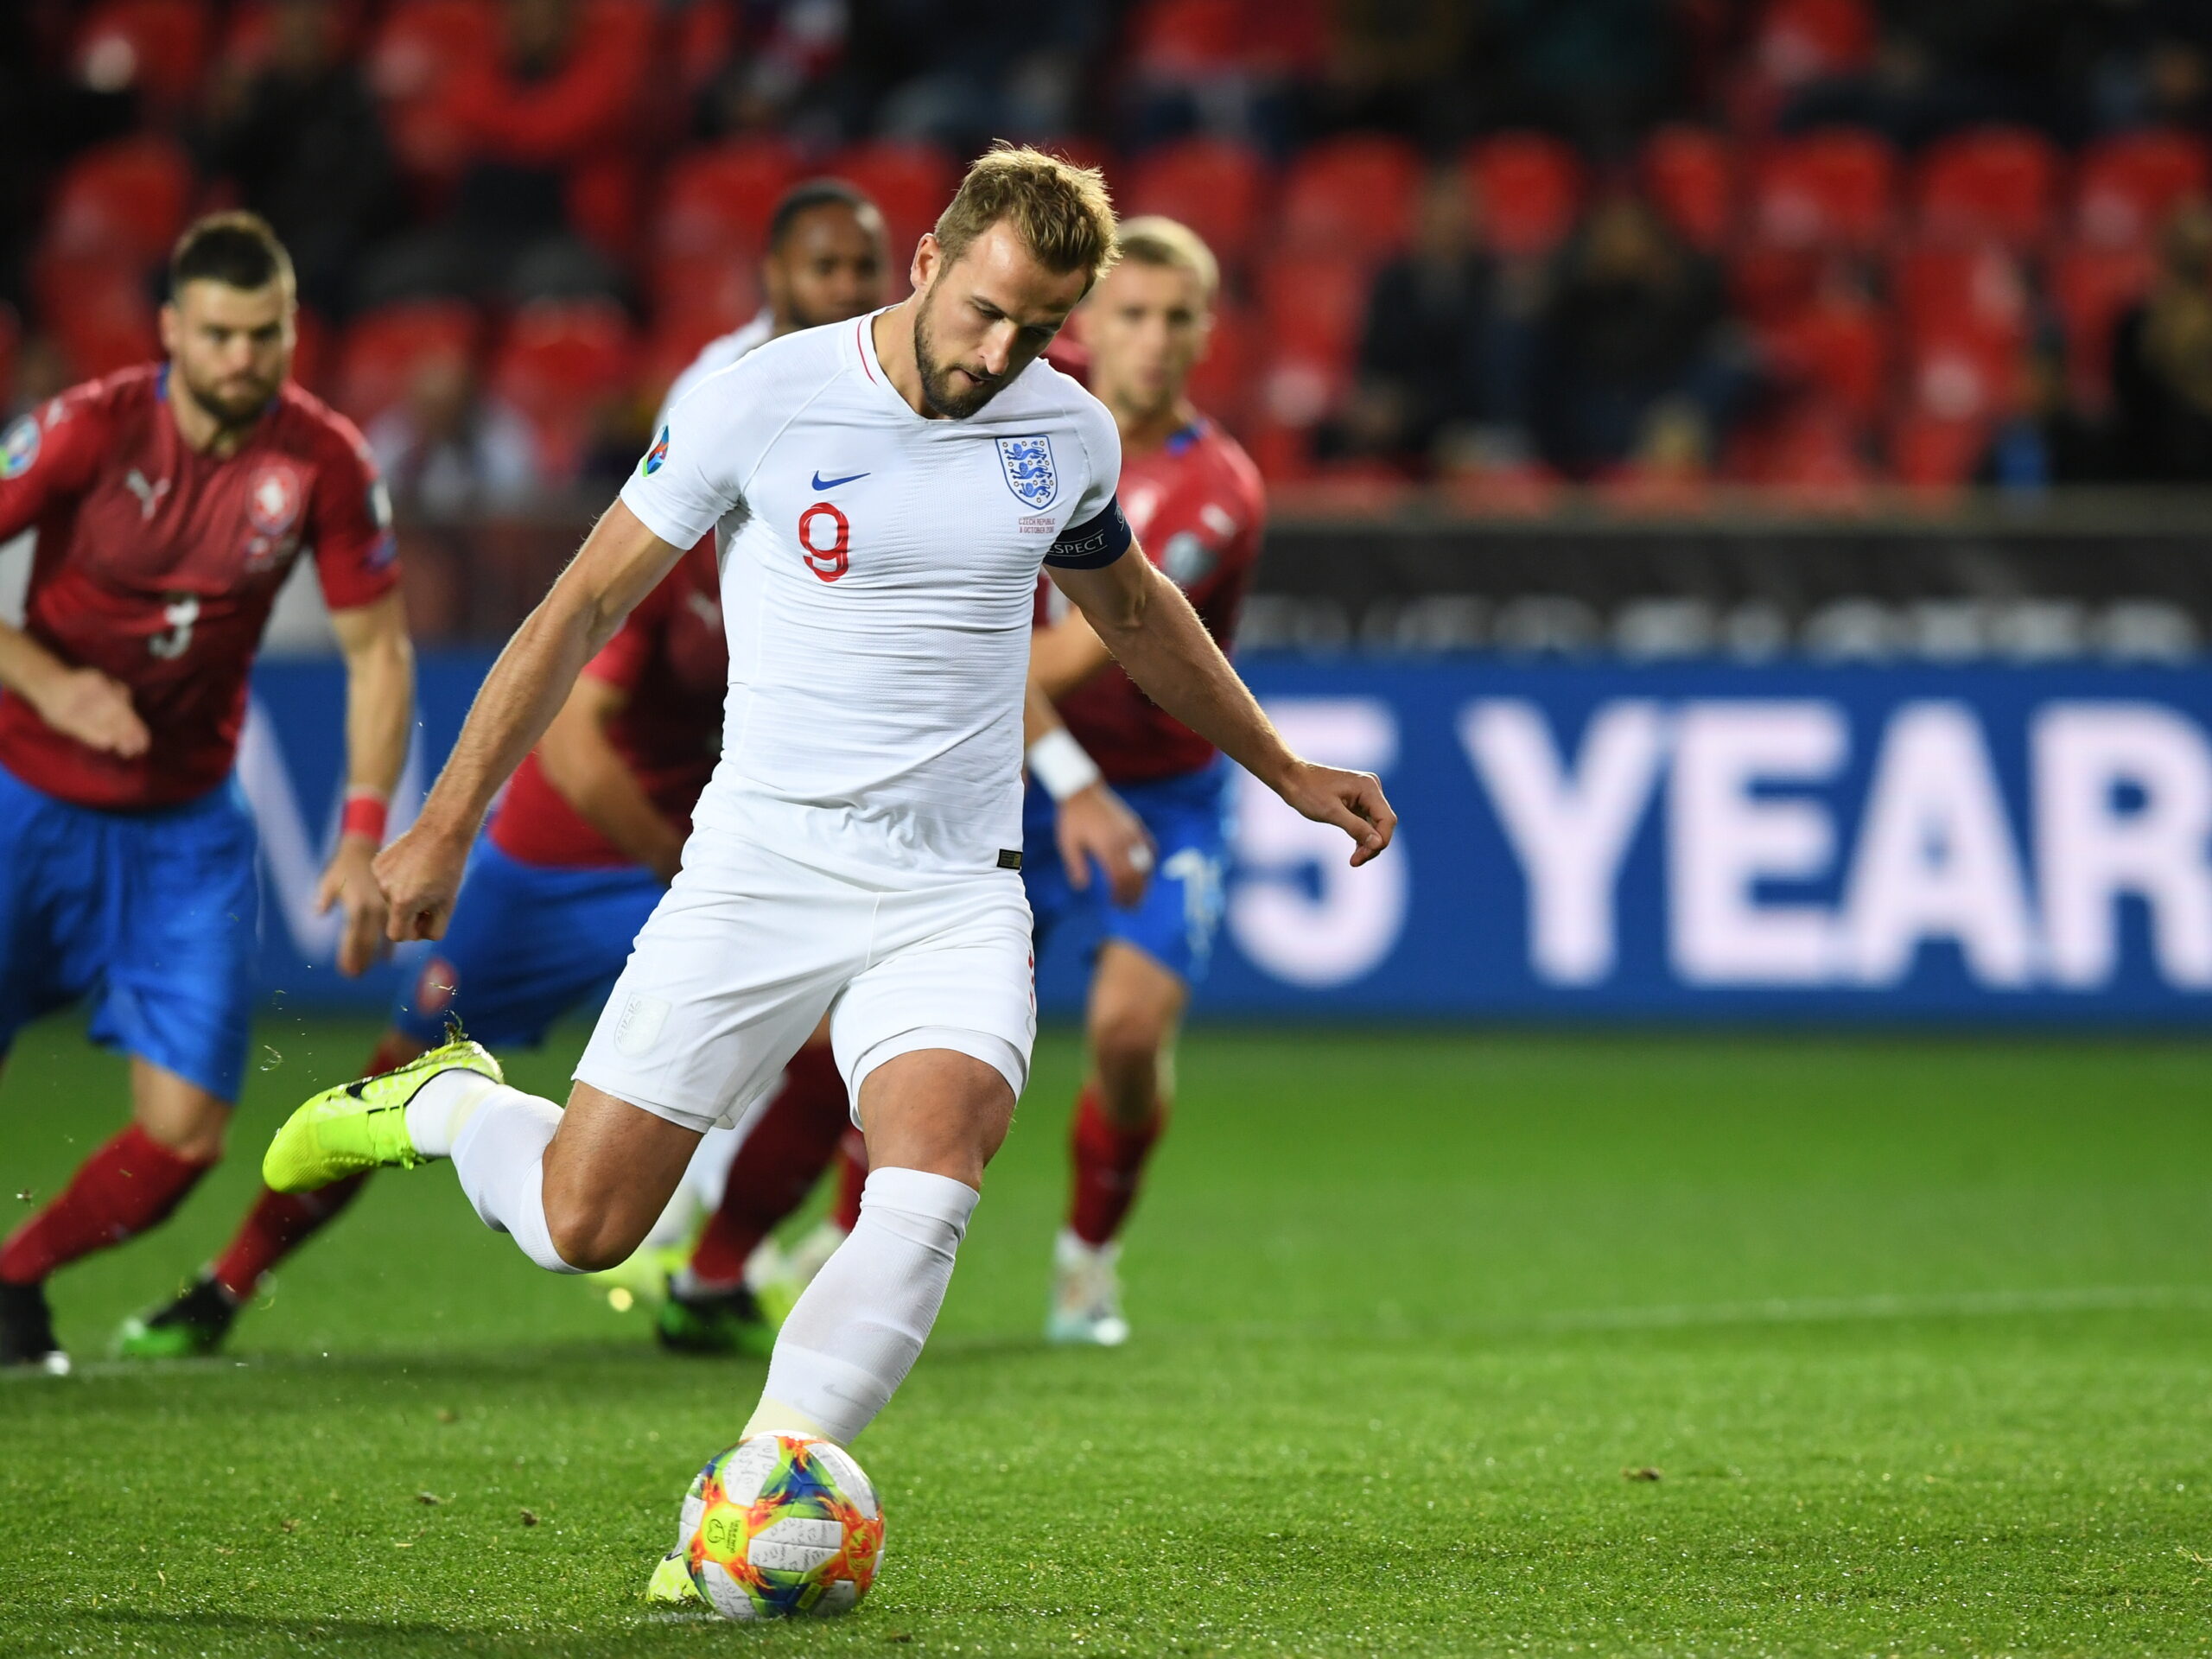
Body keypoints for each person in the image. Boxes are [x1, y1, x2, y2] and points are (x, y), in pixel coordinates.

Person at [258, 151, 1392, 1599]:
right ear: (928, 258)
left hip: (953, 888)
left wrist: (1283, 767)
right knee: (582, 1226)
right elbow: (580, 607)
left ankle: (745, 1501)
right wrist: (445, 821)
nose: (1001, 355)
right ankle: (446, 1104)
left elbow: (1135, 611)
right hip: (760, 866)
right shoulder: (759, 398)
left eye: (1038, 331)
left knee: (932, 1171)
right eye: (985, 312)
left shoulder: (1069, 434)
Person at [116, 181, 893, 1361]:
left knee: (853, 1034)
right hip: (571, 851)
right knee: (405, 1059)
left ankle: (719, 1276)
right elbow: (578, 738)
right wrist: (678, 860)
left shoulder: (866, 523)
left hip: (713, 847)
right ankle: (224, 1284)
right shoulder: (706, 510)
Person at [766, 218, 1264, 1346]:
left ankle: (1089, 1260)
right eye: (1130, 314)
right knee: (885, 1022)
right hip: (1009, 778)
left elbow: (1058, 655)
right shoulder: (1016, 398)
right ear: (1085, 322)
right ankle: (845, 1245)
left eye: (1177, 318)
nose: (1154, 339)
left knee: (1131, 1034)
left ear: (1206, 333)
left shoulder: (1209, 490)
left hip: (1156, 792)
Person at [0, 213, 411, 1373]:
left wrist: (364, 829)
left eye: (265, 334)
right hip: (21, 797)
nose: (243, 358)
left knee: (184, 1138)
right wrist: (50, 682)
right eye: (220, 334)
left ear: (293, 332)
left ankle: (15, 1280)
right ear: (173, 331)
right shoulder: (86, 430)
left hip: (183, 827)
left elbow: (378, 649)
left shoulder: (325, 460)